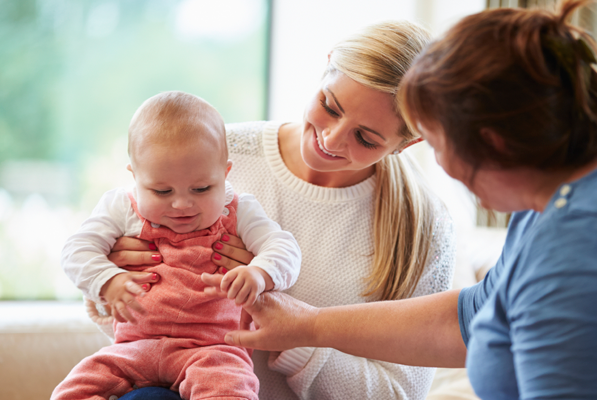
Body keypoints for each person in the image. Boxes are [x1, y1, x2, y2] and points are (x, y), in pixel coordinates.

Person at [218, 2, 597, 399]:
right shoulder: (593, 177)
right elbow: (479, 315)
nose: (435, 164)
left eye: (432, 142)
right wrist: (308, 326)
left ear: (494, 145)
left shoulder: (589, 249)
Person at [99, 21, 456, 400]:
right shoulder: (214, 152)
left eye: (366, 138)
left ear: (409, 142)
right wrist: (112, 282)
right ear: (328, 63)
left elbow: (399, 393)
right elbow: (134, 342)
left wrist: (297, 335)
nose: (330, 139)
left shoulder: (424, 226)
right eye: (329, 106)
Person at [55, 91, 302, 400]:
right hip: (133, 348)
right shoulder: (121, 207)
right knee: (72, 391)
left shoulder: (240, 212)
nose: (182, 204)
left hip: (212, 351)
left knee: (231, 391)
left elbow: (284, 248)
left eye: (201, 188)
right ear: (135, 177)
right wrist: (108, 280)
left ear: (225, 174)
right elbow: (76, 250)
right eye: (161, 191)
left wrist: (260, 273)